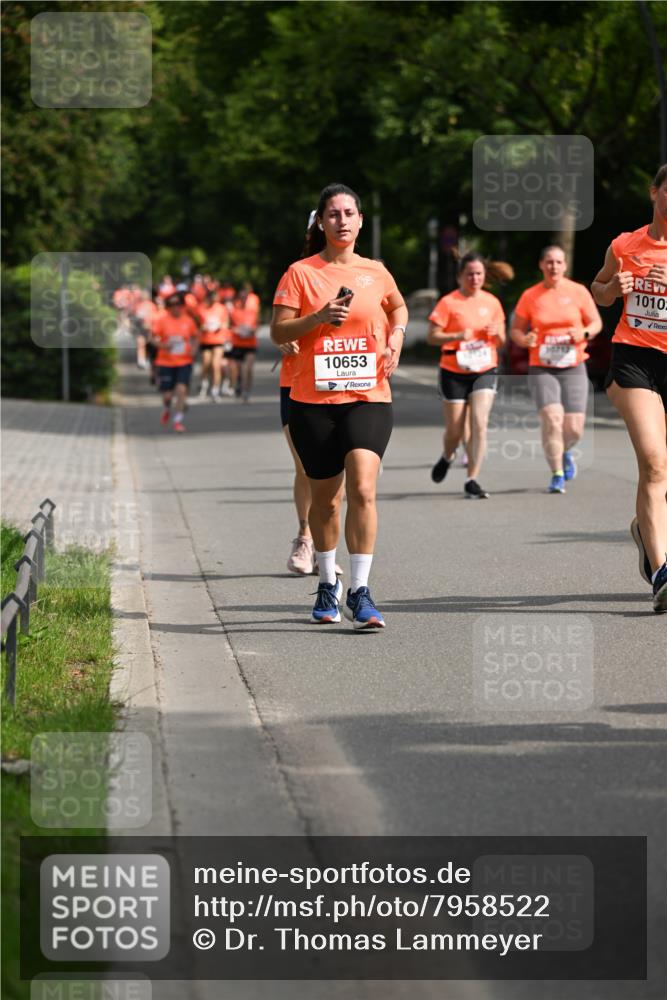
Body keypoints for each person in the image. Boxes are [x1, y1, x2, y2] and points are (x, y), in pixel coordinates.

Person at [271, 182, 408, 628]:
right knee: (327, 503)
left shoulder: (377, 271)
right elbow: (278, 332)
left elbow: (398, 308)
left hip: (368, 395)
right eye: (333, 214)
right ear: (322, 221)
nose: (342, 221)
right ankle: (328, 581)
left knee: (364, 488)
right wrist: (318, 318)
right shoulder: (301, 273)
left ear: (361, 220)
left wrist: (397, 338)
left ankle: (361, 591)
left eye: (350, 213)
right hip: (313, 400)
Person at [592, 163, 667, 613]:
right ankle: (662, 571)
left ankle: (644, 529)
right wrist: (612, 289)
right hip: (635, 357)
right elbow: (598, 289)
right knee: (654, 462)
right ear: (654, 192)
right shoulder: (625, 244)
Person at [511, 246, 602, 494]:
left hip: (573, 364)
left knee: (574, 428)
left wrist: (583, 332)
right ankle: (557, 473)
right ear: (541, 265)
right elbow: (516, 330)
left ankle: (566, 452)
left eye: (558, 262)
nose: (554, 266)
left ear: (565, 265)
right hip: (542, 367)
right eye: (549, 262)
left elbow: (596, 323)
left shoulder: (578, 292)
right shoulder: (531, 296)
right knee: (552, 419)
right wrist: (524, 339)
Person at [427, 252, 511, 498]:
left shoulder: (492, 302)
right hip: (453, 370)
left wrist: (497, 333)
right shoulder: (448, 302)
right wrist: (455, 336)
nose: (474, 278)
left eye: (479, 274)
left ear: (484, 276)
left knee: (479, 423)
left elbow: (502, 341)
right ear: (459, 277)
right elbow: (433, 337)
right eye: (470, 274)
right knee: (454, 431)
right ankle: (448, 455)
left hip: (484, 368)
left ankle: (472, 478)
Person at [151, 291, 199, 432]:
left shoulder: (188, 321)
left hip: (184, 361)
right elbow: (152, 338)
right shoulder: (162, 321)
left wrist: (194, 349)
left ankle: (178, 420)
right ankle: (167, 408)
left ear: (182, 306)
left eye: (178, 304)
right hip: (165, 362)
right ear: (168, 307)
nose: (175, 307)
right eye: (172, 305)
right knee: (167, 396)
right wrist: (162, 345)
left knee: (181, 390)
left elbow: (196, 337)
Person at [197, 287, 231, 401]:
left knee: (216, 365)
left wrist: (219, 326)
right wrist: (205, 327)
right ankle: (204, 383)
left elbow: (226, 323)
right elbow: (197, 326)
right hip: (206, 340)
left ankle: (215, 390)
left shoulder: (221, 309)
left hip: (218, 340)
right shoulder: (201, 308)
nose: (213, 301)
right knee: (206, 363)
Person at [229, 283, 260, 402]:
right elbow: (228, 325)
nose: (243, 300)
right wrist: (235, 330)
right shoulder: (233, 310)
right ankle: (238, 383)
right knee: (237, 369)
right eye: (241, 297)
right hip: (237, 342)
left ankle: (247, 390)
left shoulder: (252, 310)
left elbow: (257, 324)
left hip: (250, 343)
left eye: (245, 298)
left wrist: (252, 330)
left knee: (249, 368)